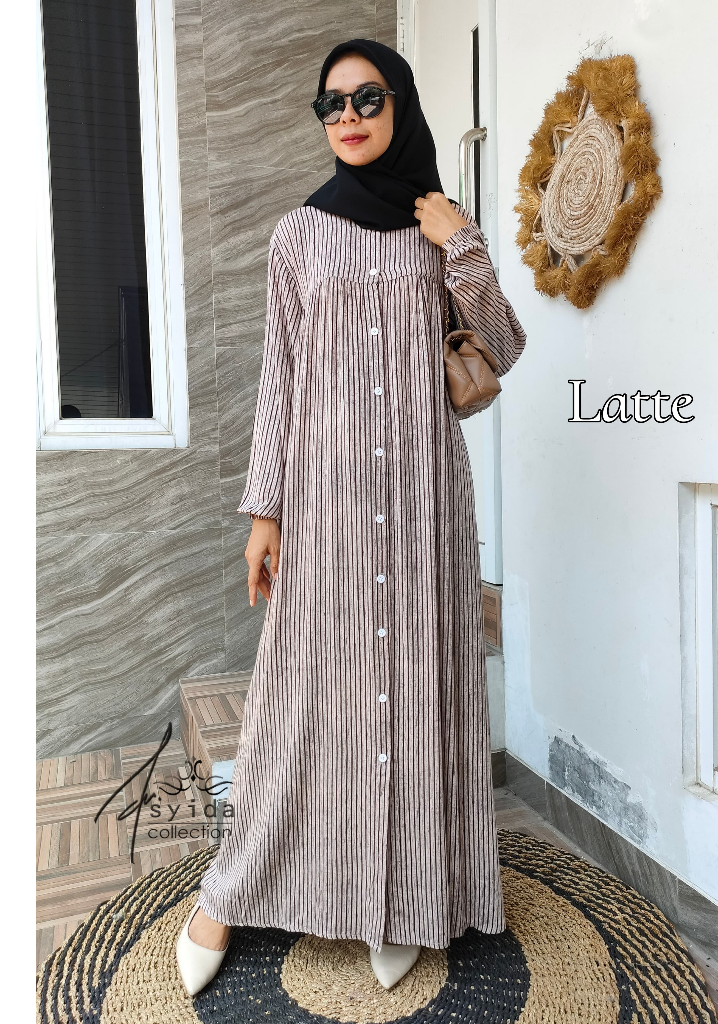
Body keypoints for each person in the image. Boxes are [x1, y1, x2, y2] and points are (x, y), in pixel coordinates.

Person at [176, 37, 527, 997]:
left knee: (414, 693)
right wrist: (264, 512)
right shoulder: (297, 237)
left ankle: (400, 898)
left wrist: (462, 242)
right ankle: (232, 888)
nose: (349, 117)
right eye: (331, 104)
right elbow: (280, 380)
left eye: (368, 98)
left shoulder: (435, 224)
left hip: (422, 505)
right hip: (325, 506)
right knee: (299, 696)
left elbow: (502, 346)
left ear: (400, 104)